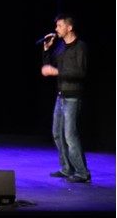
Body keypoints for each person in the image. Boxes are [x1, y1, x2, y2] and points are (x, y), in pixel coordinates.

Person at [41, 14, 91, 183]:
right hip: (61, 96)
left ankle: (82, 172)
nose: (56, 29)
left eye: (59, 26)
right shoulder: (61, 48)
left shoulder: (80, 47)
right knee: (57, 134)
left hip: (73, 97)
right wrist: (47, 50)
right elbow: (49, 65)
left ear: (69, 27)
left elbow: (81, 73)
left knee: (70, 135)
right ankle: (66, 168)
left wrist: (57, 72)